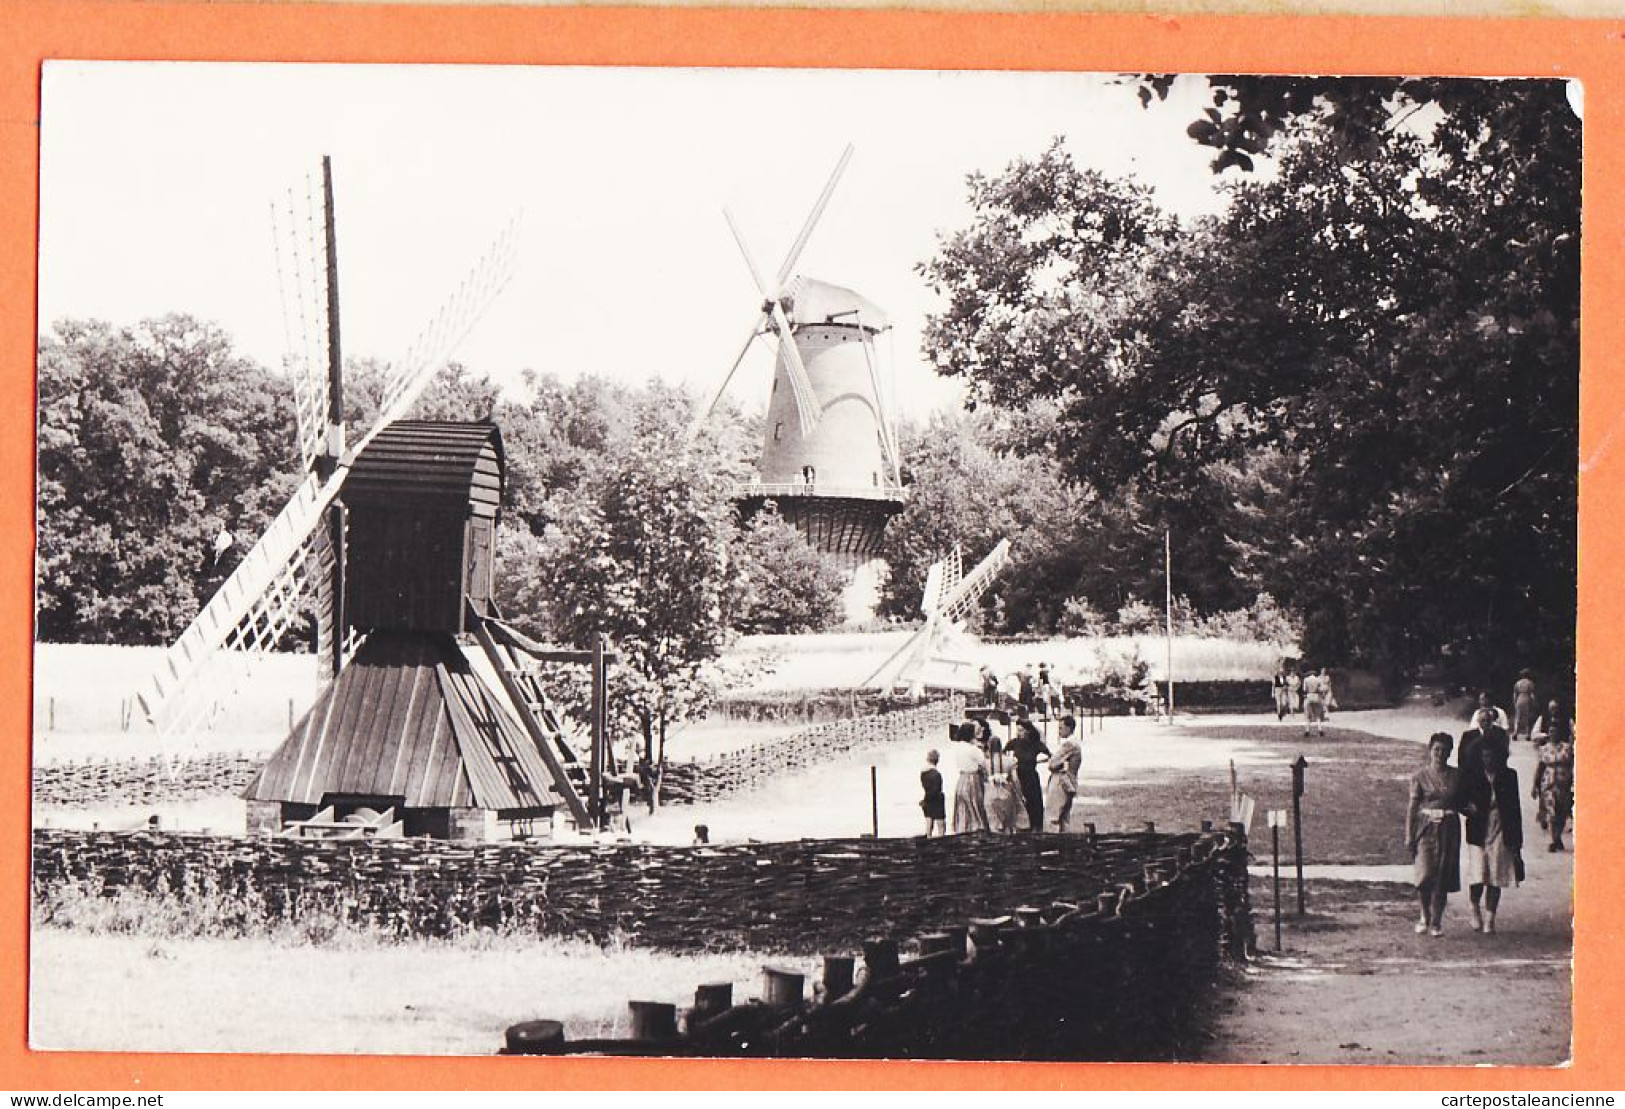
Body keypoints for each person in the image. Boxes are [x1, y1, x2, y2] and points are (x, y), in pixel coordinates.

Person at [1460, 741, 1524, 934]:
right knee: (1478, 874)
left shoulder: (1509, 776)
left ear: (1501, 758)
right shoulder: (1472, 776)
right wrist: (1467, 806)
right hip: (1479, 829)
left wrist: (1516, 841)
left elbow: (1515, 808)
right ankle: (1474, 908)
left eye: (1493, 756)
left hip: (1501, 828)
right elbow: (1459, 799)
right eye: (1485, 756)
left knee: (1496, 875)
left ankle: (1490, 918)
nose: (1489, 760)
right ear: (1480, 758)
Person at [1405, 733, 1462, 937]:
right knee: (1425, 873)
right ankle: (1424, 914)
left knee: (1443, 876)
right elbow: (1412, 807)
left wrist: (1471, 808)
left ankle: (1437, 921)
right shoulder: (1419, 776)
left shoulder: (1457, 775)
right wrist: (1409, 835)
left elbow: (1463, 801)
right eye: (1436, 749)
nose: (1440, 754)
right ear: (1430, 750)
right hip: (1425, 828)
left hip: (1449, 828)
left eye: (1445, 750)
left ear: (1450, 753)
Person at [1531, 699, 1576, 851]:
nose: (1553, 734)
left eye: (1555, 732)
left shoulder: (1567, 748)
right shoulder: (1544, 749)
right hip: (1548, 783)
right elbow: (1540, 767)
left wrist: (1574, 782)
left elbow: (1572, 765)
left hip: (1564, 783)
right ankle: (1554, 839)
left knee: (1562, 812)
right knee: (1551, 812)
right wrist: (1535, 785)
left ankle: (1558, 837)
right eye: (1550, 732)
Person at [1004, 705, 1050, 832]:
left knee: (1033, 803)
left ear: (1028, 731)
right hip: (1018, 777)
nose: (1018, 733)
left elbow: (1049, 755)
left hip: (1031, 776)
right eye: (1017, 730)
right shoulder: (1014, 743)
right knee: (1020, 803)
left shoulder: (1035, 744)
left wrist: (1038, 761)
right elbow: (1004, 754)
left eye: (1021, 730)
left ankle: (1036, 827)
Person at [1044, 714, 1083, 833]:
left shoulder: (1069, 744)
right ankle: (1065, 847)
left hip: (1061, 781)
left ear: (1069, 728)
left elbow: (1052, 764)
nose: (1059, 731)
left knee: (1053, 816)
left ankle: (1054, 845)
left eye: (1061, 728)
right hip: (1070, 782)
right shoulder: (1074, 743)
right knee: (1064, 818)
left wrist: (1054, 763)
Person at [949, 724, 991, 834]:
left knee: (963, 804)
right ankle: (977, 827)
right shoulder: (973, 749)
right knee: (975, 802)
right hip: (973, 778)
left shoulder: (958, 747)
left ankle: (963, 827)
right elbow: (983, 762)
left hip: (962, 778)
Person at [1458, 708, 1511, 784]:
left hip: (1495, 775)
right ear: (1478, 722)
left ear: (1492, 721)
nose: (1486, 723)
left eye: (1488, 720)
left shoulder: (1500, 733)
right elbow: (1461, 758)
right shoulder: (1468, 736)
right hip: (1474, 775)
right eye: (1483, 720)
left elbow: (1504, 754)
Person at [920, 749, 947, 838]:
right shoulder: (936, 774)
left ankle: (928, 837)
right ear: (937, 760)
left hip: (927, 797)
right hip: (937, 800)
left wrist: (925, 800)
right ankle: (941, 839)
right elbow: (937, 789)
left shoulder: (923, 773)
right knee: (941, 825)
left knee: (929, 821)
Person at [1511, 670, 1539, 742]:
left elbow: (1514, 694)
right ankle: (1528, 734)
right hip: (1527, 699)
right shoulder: (1530, 683)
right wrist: (1534, 702)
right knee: (1528, 717)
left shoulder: (1518, 683)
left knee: (1518, 717)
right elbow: (1532, 694)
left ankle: (1515, 732)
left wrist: (1515, 702)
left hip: (1519, 699)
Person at [1302, 668, 1328, 736]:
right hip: (1316, 696)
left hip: (1309, 696)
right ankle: (1320, 730)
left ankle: (1307, 731)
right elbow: (1321, 689)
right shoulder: (1318, 679)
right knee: (1318, 715)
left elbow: (1304, 689)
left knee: (1308, 716)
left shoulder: (1306, 680)